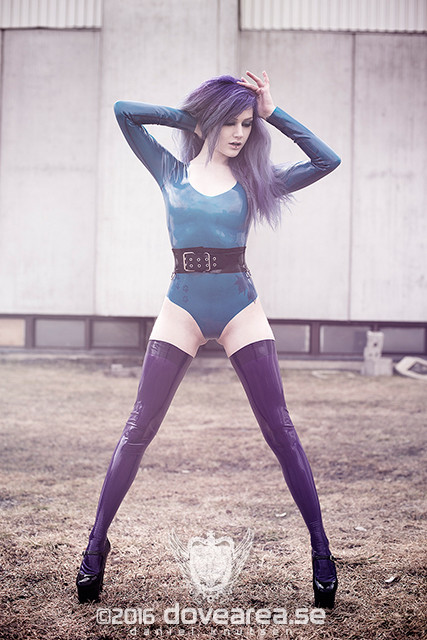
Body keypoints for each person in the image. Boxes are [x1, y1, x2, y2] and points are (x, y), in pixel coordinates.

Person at [76, 71, 341, 608]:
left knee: (281, 429)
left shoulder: (255, 181)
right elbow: (124, 110)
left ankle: (321, 550)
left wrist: (272, 113)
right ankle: (96, 545)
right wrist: (194, 120)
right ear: (210, 122)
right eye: (231, 123)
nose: (240, 133)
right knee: (138, 427)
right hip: (182, 307)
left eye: (247, 124)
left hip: (241, 307)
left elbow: (325, 160)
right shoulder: (169, 169)